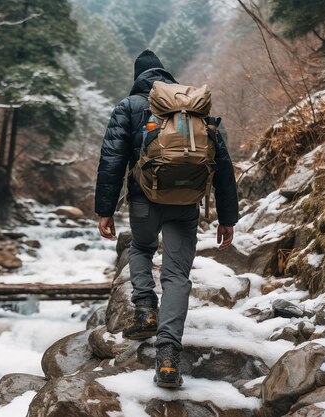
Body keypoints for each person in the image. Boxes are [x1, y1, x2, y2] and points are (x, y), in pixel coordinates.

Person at [94, 49, 239, 388]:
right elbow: (222, 163)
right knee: (176, 276)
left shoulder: (128, 107)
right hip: (187, 202)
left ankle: (145, 309)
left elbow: (112, 160)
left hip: (144, 199)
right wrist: (226, 217)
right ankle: (169, 360)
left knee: (141, 249)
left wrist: (105, 209)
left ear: (137, 78)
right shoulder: (192, 109)